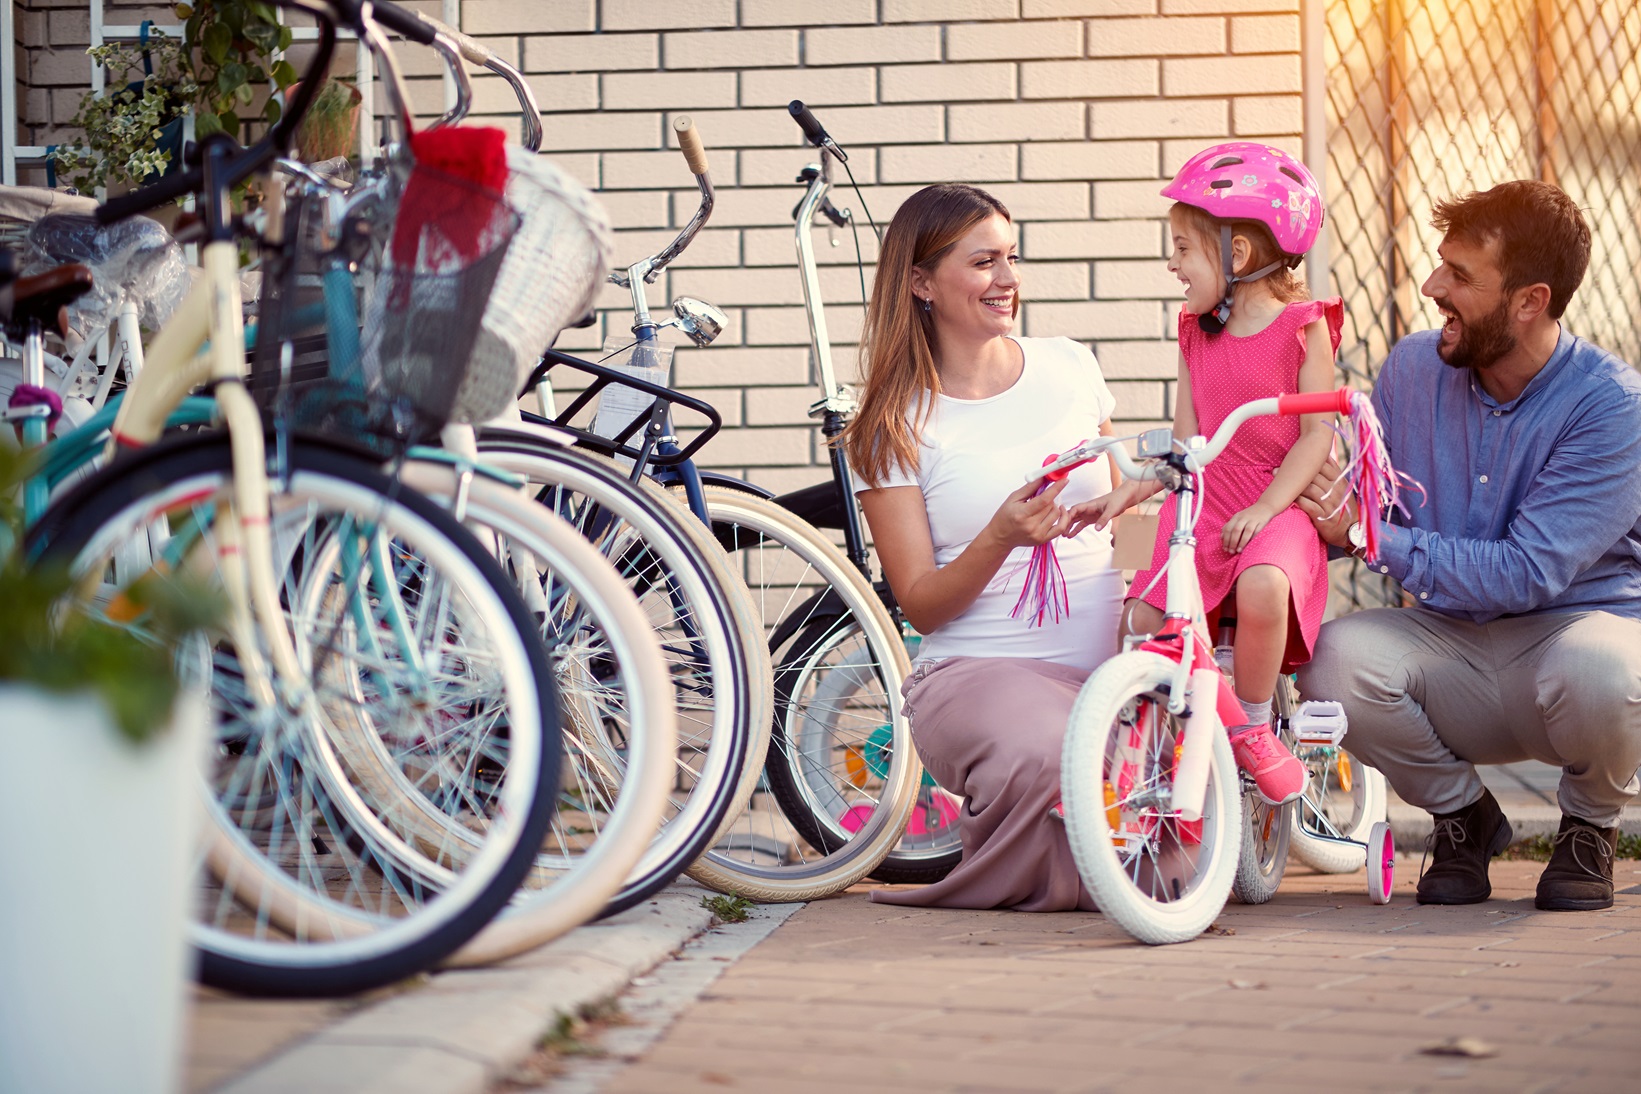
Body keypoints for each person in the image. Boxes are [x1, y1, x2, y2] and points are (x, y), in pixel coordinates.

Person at [1296, 180, 1641, 912]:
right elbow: (1371, 508)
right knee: (1331, 660)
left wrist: (1362, 535)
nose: (1431, 287)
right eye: (1438, 265)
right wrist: (1281, 513)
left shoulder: (1612, 408)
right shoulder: (1413, 368)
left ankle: (1588, 825)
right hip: (1449, 643)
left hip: (1565, 641)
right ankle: (1463, 818)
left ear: (1528, 301)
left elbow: (1523, 574)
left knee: (1606, 670)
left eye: (1458, 276)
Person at [844, 183, 1125, 911]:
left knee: (1161, 766)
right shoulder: (890, 424)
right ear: (920, 283)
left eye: (1011, 257)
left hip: (1112, 663)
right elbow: (922, 604)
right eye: (982, 263)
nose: (1007, 280)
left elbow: (1129, 516)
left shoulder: (1069, 366)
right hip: (977, 671)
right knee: (1055, 753)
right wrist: (1000, 535)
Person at [1075, 142, 1338, 806]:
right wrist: (1128, 490)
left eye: (1183, 249)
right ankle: (1144, 742)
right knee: (1136, 618)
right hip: (1204, 498)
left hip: (1274, 504)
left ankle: (1250, 727)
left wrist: (1269, 507)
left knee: (1261, 588)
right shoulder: (1194, 331)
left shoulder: (1304, 328)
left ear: (1238, 256)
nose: (1172, 264)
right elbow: (1186, 441)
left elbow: (1315, 438)